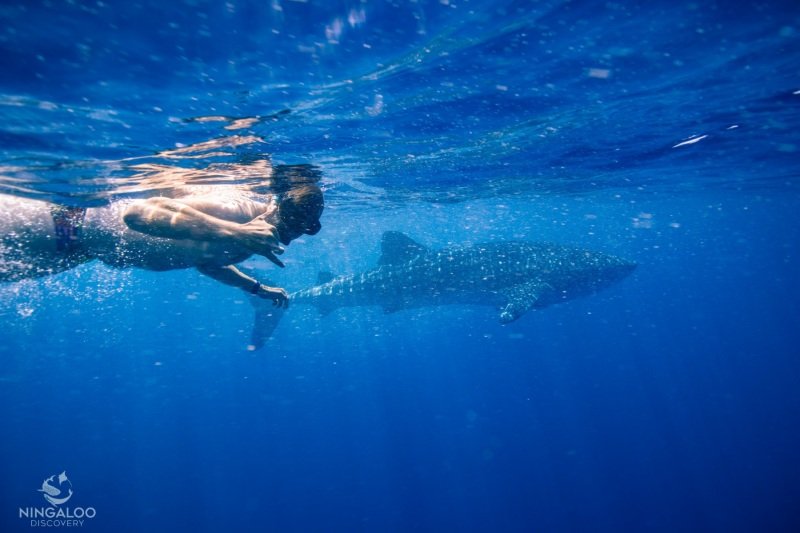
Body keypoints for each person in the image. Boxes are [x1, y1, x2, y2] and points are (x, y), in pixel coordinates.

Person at [0, 173, 324, 307]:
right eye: (291, 225)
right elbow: (137, 214)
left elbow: (208, 262)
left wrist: (255, 288)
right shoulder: (235, 212)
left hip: (75, 252)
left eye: (305, 230)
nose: (292, 235)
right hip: (67, 224)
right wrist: (234, 231)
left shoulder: (255, 237)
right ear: (276, 207)